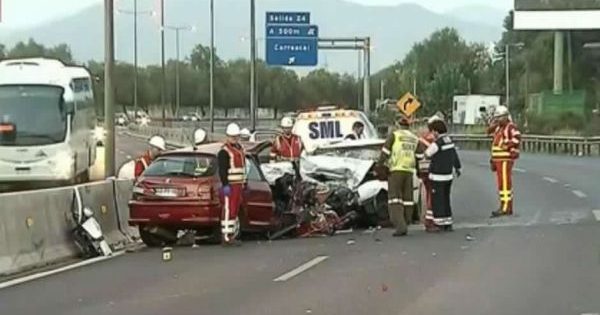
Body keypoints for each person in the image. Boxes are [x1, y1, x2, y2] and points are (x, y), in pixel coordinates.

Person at [378, 115, 419, 237]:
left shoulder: (395, 135)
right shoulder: (414, 138)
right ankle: (406, 221)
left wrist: (379, 165)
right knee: (407, 200)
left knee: (394, 200)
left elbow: (385, 152)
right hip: (409, 171)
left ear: (397, 125)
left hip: (396, 170)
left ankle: (400, 227)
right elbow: (420, 156)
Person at [425, 120, 462, 232]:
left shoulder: (437, 143)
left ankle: (439, 223)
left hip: (437, 176)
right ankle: (447, 222)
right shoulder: (449, 141)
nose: (432, 134)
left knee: (438, 200)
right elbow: (454, 156)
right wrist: (457, 167)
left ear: (436, 131)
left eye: (432, 131)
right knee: (446, 199)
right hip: (448, 176)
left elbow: (427, 154)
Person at [487, 105, 521, 217]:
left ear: (505, 117)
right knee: (501, 185)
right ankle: (503, 205)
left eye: (499, 117)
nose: (497, 120)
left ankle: (506, 207)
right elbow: (489, 134)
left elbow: (517, 138)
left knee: (505, 184)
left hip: (505, 159)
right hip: (498, 160)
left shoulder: (510, 127)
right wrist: (492, 159)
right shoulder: (498, 128)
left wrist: (506, 145)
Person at [217, 123, 246, 246]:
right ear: (227, 137)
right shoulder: (224, 152)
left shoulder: (240, 149)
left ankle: (231, 234)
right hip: (230, 184)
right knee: (228, 210)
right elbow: (222, 170)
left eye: (236, 136)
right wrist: (225, 185)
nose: (234, 139)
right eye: (232, 137)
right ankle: (226, 236)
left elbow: (243, 167)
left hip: (238, 184)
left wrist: (245, 182)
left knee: (234, 210)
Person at [415, 115, 441, 232]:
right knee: (433, 195)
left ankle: (429, 217)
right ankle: (430, 220)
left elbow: (418, 155)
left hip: (423, 170)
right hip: (433, 170)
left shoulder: (421, 138)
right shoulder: (436, 139)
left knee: (428, 194)